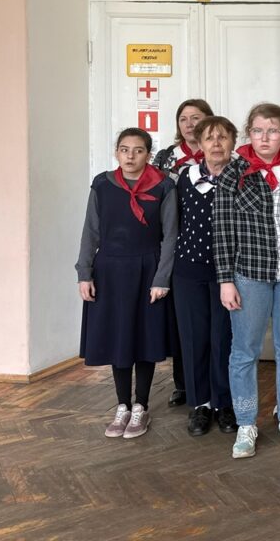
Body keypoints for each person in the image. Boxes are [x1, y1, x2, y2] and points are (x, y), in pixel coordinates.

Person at [214, 103, 280, 459]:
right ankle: (246, 423)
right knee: (245, 351)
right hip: (249, 275)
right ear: (249, 134)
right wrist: (225, 280)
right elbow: (222, 230)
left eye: (272, 130)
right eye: (258, 131)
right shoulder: (233, 173)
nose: (265, 137)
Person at [76, 127, 177, 439]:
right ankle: (122, 405)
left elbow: (170, 236)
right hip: (110, 271)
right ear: (116, 152)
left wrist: (161, 278)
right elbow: (91, 231)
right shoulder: (102, 184)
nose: (130, 156)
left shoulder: (164, 186)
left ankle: (141, 406)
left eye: (138, 150)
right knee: (118, 338)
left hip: (148, 269)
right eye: (124, 149)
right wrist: (84, 273)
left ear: (148, 154)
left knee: (144, 339)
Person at [172, 116, 238, 438]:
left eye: (222, 137)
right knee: (194, 338)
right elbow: (173, 222)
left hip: (229, 272)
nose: (216, 144)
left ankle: (224, 403)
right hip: (189, 269)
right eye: (209, 138)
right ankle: (200, 404)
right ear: (199, 144)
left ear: (233, 142)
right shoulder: (185, 177)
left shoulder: (243, 177)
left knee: (223, 339)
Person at [153, 98, 215, 408]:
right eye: (184, 119)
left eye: (196, 118)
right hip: (176, 244)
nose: (190, 124)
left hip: (209, 244)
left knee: (214, 326)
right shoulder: (167, 157)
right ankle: (184, 384)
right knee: (184, 323)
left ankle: (215, 388)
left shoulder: (217, 154)